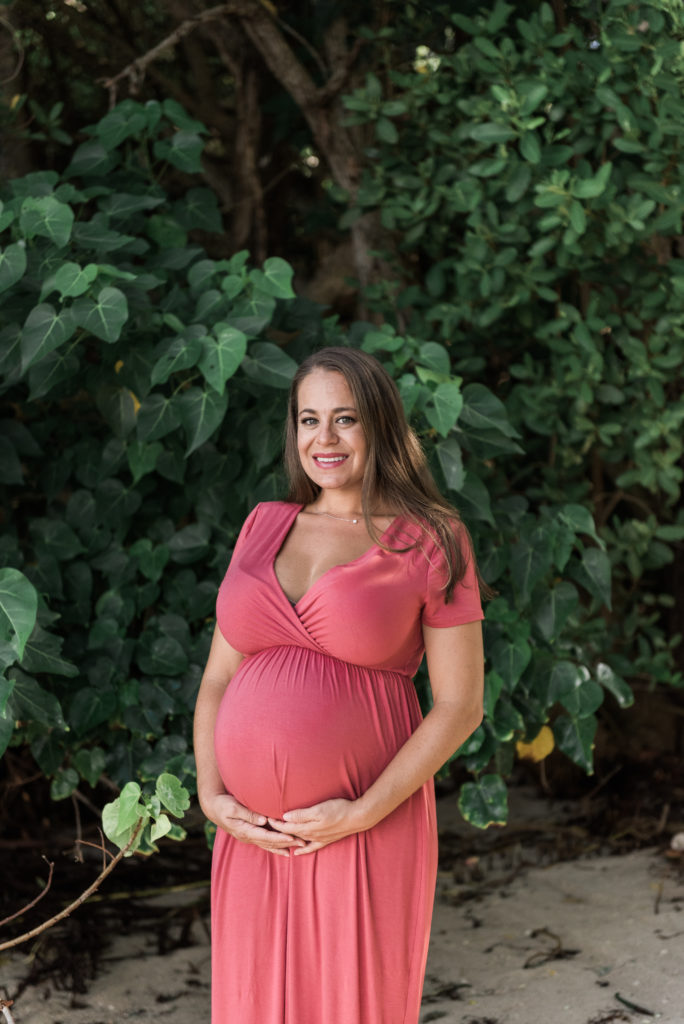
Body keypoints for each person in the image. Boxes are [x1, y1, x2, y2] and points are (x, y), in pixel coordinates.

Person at [193, 346, 485, 1024]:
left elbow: (461, 705)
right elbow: (216, 681)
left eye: (345, 419)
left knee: (355, 1007)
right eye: (308, 419)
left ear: (379, 425)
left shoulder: (432, 538)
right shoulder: (264, 526)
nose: (323, 439)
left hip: (365, 823)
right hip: (250, 830)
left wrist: (363, 812)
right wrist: (213, 796)